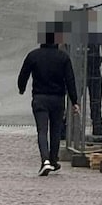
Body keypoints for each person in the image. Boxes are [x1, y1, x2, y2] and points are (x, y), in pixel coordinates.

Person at [18, 23, 79, 176]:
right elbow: (70, 80)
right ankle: (53, 160)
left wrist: (21, 88)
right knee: (56, 130)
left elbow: (23, 75)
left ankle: (45, 160)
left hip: (40, 98)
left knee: (42, 130)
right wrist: (74, 101)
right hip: (58, 99)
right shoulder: (63, 57)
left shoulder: (33, 55)